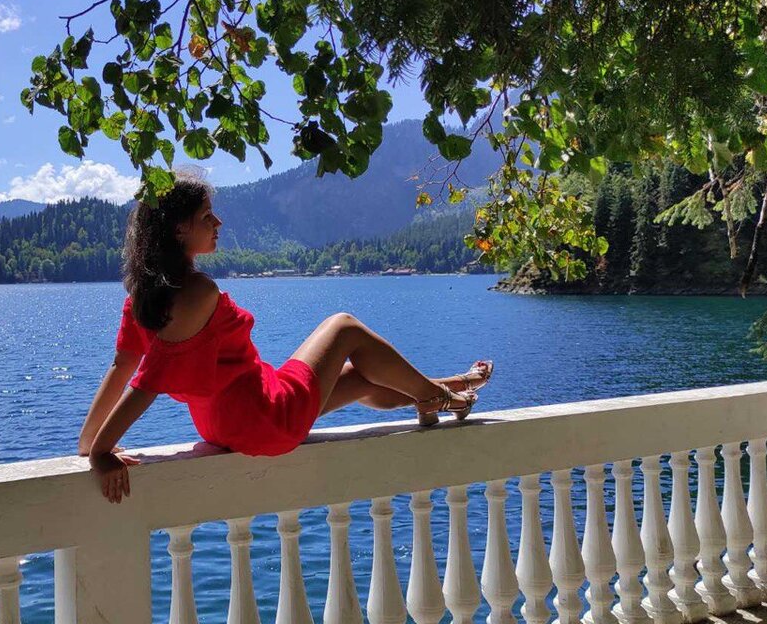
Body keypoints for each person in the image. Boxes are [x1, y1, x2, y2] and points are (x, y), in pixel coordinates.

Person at [77, 168, 492, 503]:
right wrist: (100, 452)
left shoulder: (145, 295)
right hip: (265, 416)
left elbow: (122, 366)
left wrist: (88, 439)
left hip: (227, 422)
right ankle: (440, 397)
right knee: (344, 326)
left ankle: (450, 387)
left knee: (362, 378)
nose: (218, 223)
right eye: (206, 216)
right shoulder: (196, 292)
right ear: (177, 229)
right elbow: (148, 382)